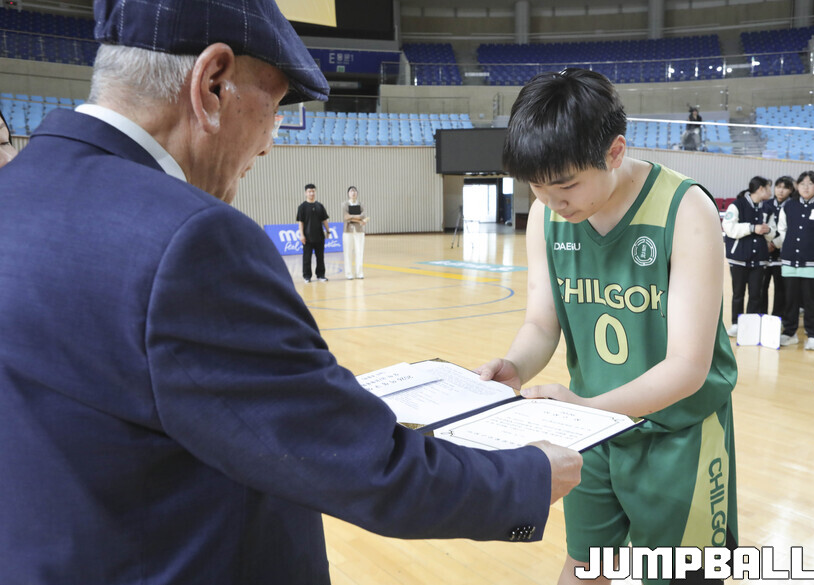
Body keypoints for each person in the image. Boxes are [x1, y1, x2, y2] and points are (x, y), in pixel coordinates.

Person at [0, 2, 584, 584]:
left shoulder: (16, 190)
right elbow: (356, 465)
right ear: (213, 84)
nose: (269, 143)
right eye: (276, 106)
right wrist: (527, 477)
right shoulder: (192, 239)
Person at [477, 69, 738, 585]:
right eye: (536, 187)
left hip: (678, 434)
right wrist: (515, 365)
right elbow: (541, 323)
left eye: (566, 185)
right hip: (592, 429)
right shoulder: (547, 216)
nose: (551, 201)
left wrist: (587, 409)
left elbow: (688, 366)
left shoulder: (686, 209)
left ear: (614, 152)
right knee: (586, 566)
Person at [722, 176, 774, 336]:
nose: (771, 192)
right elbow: (728, 227)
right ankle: (736, 324)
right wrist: (752, 228)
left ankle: (750, 327)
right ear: (761, 189)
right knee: (738, 294)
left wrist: (768, 231)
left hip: (759, 260)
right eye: (769, 188)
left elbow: (772, 231)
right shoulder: (737, 205)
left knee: (755, 295)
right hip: (738, 259)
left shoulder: (767, 208)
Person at [776, 170, 814, 350]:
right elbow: (782, 229)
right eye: (802, 184)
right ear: (797, 186)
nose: (806, 187)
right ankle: (789, 333)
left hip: (812, 262)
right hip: (789, 261)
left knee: (810, 301)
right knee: (790, 300)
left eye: (810, 184)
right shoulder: (789, 205)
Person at [762, 175, 795, 317]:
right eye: (778, 187)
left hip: (782, 255)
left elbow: (790, 230)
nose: (781, 191)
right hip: (764, 253)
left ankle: (777, 317)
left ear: (791, 190)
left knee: (780, 289)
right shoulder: (766, 204)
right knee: (761, 288)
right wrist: (766, 244)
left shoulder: (792, 206)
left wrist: (775, 244)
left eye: (785, 188)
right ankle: (761, 316)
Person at [297, 183, 330, 282]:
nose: (311, 193)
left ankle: (321, 275)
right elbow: (301, 222)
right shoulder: (302, 207)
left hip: (319, 236)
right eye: (309, 191)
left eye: (313, 191)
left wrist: (328, 231)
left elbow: (324, 220)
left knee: (320, 257)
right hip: (307, 238)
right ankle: (307, 276)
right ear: (305, 193)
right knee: (307, 258)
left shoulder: (320, 206)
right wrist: (302, 235)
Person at [342, 185, 368, 279]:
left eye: (354, 191)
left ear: (357, 193)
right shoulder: (345, 204)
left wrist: (352, 216)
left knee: (359, 251)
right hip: (348, 231)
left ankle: (359, 272)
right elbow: (346, 217)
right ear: (348, 194)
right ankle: (349, 273)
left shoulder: (361, 204)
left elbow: (364, 215)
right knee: (348, 252)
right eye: (351, 191)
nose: (353, 193)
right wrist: (359, 219)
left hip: (359, 231)